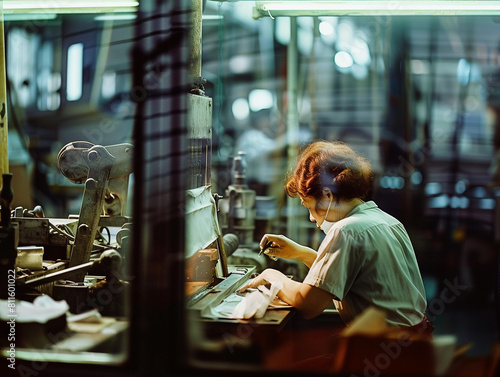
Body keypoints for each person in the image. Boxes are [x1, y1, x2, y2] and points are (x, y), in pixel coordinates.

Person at [239, 140, 432, 334]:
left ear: (326, 196)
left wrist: (270, 276)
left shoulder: (346, 230)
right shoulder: (387, 221)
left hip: (383, 346)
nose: (311, 218)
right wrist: (302, 253)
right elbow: (353, 276)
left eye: (308, 205)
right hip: (414, 344)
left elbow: (309, 305)